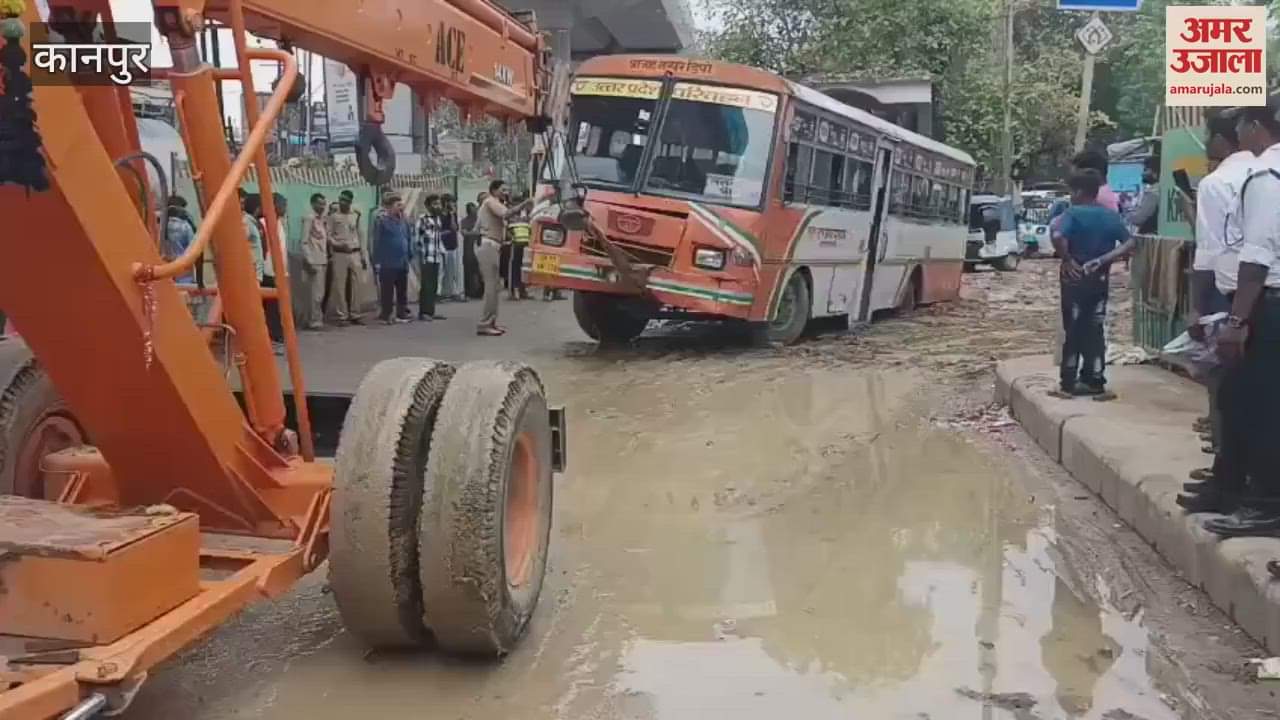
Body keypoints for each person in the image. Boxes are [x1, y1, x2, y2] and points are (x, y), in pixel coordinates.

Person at [1200, 101, 1280, 537]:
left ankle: (1265, 504)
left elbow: (1257, 255)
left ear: (1256, 127)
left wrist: (1236, 321)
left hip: (1267, 302)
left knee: (1255, 404)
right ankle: (1238, 488)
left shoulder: (1266, 175)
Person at [1178, 112, 1256, 513]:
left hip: (1230, 297)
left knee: (1227, 392)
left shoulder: (1217, 182)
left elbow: (1208, 253)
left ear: (1224, 140)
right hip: (1260, 296)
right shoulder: (1262, 174)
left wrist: (1195, 307)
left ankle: (1229, 481)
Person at [1050, 170, 1135, 398]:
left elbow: (1057, 236)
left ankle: (1068, 382)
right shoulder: (1110, 215)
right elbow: (1129, 243)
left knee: (1073, 329)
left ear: (1078, 191)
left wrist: (1067, 259)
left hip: (1074, 278)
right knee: (1095, 328)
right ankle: (1095, 380)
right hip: (1099, 278)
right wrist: (1104, 259)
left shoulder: (1073, 213)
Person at [476, 180, 536, 336]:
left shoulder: (496, 204)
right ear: (494, 190)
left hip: (494, 246)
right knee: (491, 287)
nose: (506, 192)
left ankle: (491, 322)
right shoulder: (490, 202)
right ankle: (485, 324)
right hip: (489, 245)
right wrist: (523, 204)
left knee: (495, 287)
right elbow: (506, 214)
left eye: (507, 189)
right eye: (503, 189)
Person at [373, 193, 414, 324]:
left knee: (402, 290)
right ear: (390, 207)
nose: (401, 207)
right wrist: (377, 261)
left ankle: (401, 314)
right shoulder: (382, 221)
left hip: (403, 261)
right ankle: (386, 315)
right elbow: (377, 241)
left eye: (401, 204)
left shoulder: (404, 221)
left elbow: (408, 237)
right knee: (387, 291)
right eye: (398, 205)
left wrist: (409, 254)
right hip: (388, 262)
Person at [326, 189, 366, 325]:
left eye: (346, 201)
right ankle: (342, 315)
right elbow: (328, 235)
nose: (342, 203)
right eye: (341, 200)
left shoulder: (355, 215)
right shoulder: (333, 216)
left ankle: (356, 314)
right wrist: (338, 244)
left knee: (357, 285)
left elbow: (360, 234)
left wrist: (363, 255)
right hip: (340, 253)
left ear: (350, 202)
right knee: (339, 285)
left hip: (355, 252)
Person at [300, 193, 329, 330]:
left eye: (324, 204)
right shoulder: (309, 218)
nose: (322, 206)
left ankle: (316, 319)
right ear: (313, 204)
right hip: (314, 261)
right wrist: (309, 260)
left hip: (322, 259)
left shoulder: (322, 220)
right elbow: (304, 242)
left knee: (319, 293)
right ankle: (314, 321)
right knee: (316, 294)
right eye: (319, 203)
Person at [415, 194, 446, 321]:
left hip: (436, 257)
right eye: (434, 204)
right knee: (426, 285)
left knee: (433, 285)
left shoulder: (438, 219)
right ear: (428, 206)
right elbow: (417, 239)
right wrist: (421, 255)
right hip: (426, 257)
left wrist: (442, 252)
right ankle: (423, 312)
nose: (438, 206)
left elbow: (438, 238)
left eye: (439, 204)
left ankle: (431, 311)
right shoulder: (422, 219)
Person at [163, 195, 196, 285]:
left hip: (164, 271)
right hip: (183, 272)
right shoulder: (185, 226)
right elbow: (194, 248)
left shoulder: (160, 226)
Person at [1125, 158, 1161, 235]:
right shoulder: (1161, 189)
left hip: (1150, 236)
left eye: (1145, 170)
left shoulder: (1153, 193)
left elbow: (1138, 218)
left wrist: (1127, 211)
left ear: (1155, 174)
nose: (1142, 174)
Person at [507, 199, 533, 300]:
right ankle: (515, 291)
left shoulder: (526, 219)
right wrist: (512, 239)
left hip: (525, 246)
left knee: (524, 269)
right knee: (515, 268)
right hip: (516, 245)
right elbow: (508, 232)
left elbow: (530, 231)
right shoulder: (512, 219)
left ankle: (523, 290)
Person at [461, 200, 483, 299]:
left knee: (479, 271)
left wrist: (472, 232)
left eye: (474, 209)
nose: (474, 211)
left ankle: (480, 292)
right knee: (469, 271)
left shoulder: (480, 220)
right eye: (471, 210)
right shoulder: (465, 221)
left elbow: (482, 231)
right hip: (468, 249)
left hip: (479, 247)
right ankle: (469, 292)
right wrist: (475, 232)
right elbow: (464, 232)